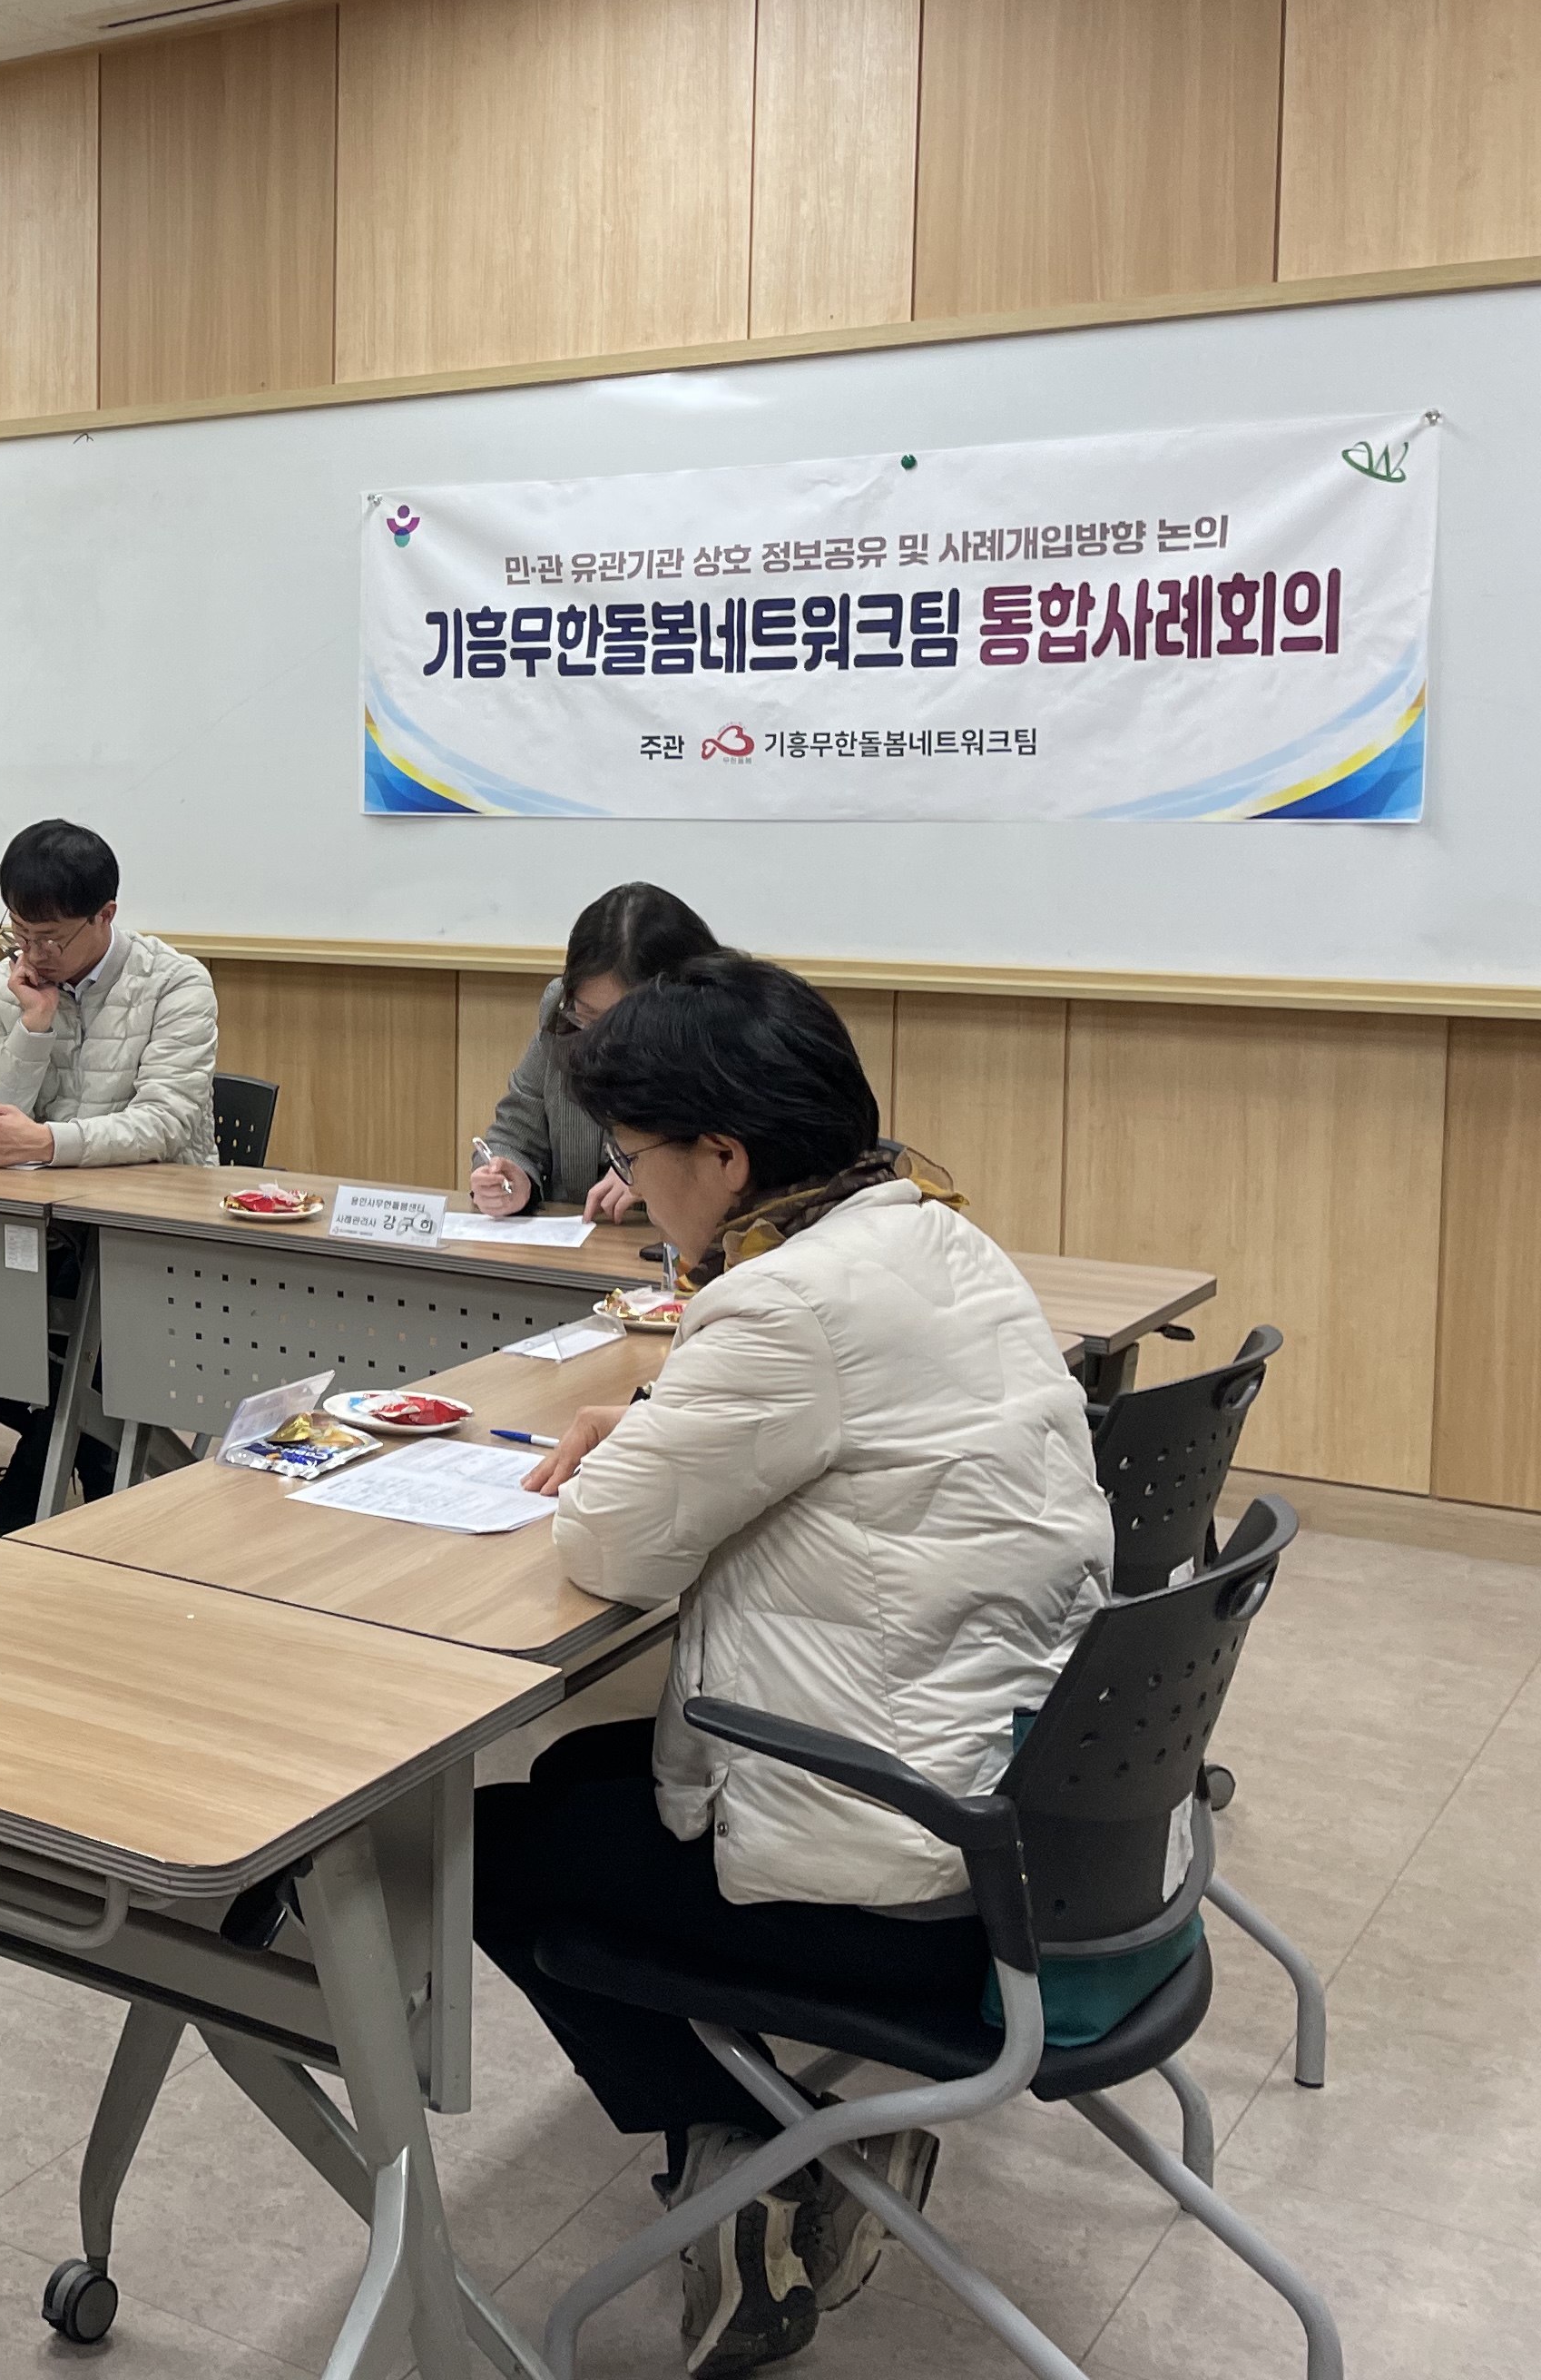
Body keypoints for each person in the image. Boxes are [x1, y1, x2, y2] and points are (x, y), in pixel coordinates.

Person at [475, 954, 1110, 2376]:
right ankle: (765, 2148)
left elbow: (614, 1548)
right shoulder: (938, 1235)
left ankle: (761, 2157)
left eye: (635, 1155)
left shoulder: (783, 1304)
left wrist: (638, 1446)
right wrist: (667, 1412)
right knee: (580, 1775)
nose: (628, 1186)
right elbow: (845, 1422)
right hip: (1044, 1825)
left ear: (723, 1155)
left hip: (912, 1870)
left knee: (486, 1846)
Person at [0, 820, 217, 1533]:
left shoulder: (176, 983)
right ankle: (98, 1471)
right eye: (19, 933)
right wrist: (33, 1026)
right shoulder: (5, 985)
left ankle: (17, 1517)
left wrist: (47, 1142)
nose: (33, 953)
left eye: (51, 938)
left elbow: (163, 1123)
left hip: (151, 1236)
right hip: (40, 1228)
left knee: (83, 1344)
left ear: (106, 915)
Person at [467, 882, 718, 1223]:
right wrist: (513, 1176)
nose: (601, 1041)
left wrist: (651, 1168)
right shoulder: (561, 1017)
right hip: (579, 1241)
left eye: (621, 1023)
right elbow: (513, 1134)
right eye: (587, 1017)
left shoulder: (723, 1045)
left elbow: (740, 1163)